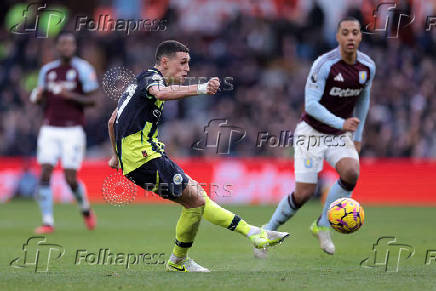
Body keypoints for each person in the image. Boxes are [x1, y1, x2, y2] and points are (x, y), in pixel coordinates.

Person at [107, 40, 290, 272]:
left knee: (196, 196)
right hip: (143, 158)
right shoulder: (151, 78)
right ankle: (179, 261)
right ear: (164, 62)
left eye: (188, 63)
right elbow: (161, 93)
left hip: (142, 157)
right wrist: (201, 88)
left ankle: (253, 233)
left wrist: (116, 156)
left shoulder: (136, 85)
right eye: (182, 63)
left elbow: (112, 120)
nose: (187, 69)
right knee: (195, 201)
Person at [255, 17, 375, 258]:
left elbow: (363, 99)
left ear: (360, 37)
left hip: (339, 135)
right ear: (338, 37)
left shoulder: (367, 67)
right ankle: (267, 230)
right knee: (304, 193)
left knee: (352, 172)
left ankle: (322, 224)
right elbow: (310, 105)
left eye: (355, 32)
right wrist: (342, 122)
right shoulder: (324, 65)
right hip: (311, 133)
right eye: (345, 33)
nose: (351, 37)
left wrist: (358, 135)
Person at [30, 32, 98, 234]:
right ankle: (47, 222)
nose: (67, 47)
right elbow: (41, 100)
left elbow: (93, 100)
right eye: (63, 44)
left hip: (73, 130)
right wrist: (38, 97)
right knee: (45, 173)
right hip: (50, 128)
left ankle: (85, 209)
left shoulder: (83, 69)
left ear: (75, 47)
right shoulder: (47, 71)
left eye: (70, 44)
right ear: (57, 47)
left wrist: (70, 95)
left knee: (70, 178)